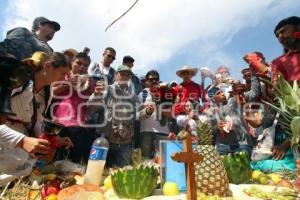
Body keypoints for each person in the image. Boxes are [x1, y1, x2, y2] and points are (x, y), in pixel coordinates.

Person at [0, 52, 71, 182]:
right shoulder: (18, 81)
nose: (64, 78)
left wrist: (51, 140)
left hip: (20, 143)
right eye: (62, 73)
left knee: (15, 180)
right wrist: (22, 140)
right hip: (4, 135)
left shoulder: (47, 93)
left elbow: (36, 121)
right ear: (48, 66)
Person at [87, 65, 150, 167]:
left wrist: (147, 112)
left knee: (123, 174)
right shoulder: (105, 90)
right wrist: (96, 95)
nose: (124, 77)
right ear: (116, 75)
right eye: (122, 74)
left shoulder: (133, 97)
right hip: (104, 141)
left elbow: (138, 116)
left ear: (130, 78)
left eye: (127, 75)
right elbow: (91, 109)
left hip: (125, 144)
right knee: (97, 171)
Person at [205, 69, 261, 156]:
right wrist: (217, 127)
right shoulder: (210, 112)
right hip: (223, 146)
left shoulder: (234, 100)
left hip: (242, 143)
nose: (222, 93)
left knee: (244, 169)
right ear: (213, 99)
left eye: (221, 91)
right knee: (224, 169)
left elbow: (254, 93)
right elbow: (209, 131)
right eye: (218, 93)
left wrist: (253, 75)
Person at [52, 52, 95, 164]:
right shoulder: (62, 76)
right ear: (72, 63)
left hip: (79, 125)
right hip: (59, 124)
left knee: (74, 161)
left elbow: (95, 100)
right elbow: (51, 92)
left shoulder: (89, 82)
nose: (82, 67)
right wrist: (67, 84)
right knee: (56, 160)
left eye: (85, 65)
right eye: (79, 63)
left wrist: (91, 87)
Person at [138, 70, 173, 159]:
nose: (153, 81)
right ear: (146, 81)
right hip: (146, 132)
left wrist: (159, 108)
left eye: (156, 79)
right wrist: (146, 111)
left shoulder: (166, 93)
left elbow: (172, 114)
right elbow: (137, 115)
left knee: (163, 161)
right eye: (151, 79)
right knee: (145, 160)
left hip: (163, 132)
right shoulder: (142, 95)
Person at [271, 16, 300, 82]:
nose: (280, 37)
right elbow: (278, 88)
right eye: (277, 36)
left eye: (283, 31)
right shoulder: (277, 62)